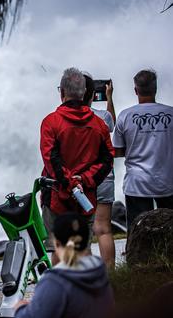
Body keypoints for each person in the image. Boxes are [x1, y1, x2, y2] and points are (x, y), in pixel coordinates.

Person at [39, 68, 114, 265]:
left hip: (56, 196)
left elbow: (51, 159)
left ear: (62, 92)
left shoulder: (51, 122)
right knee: (84, 248)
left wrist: (71, 183)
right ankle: (85, 290)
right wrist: (85, 179)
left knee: (59, 247)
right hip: (86, 198)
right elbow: (107, 160)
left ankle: (62, 290)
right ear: (83, 93)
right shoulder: (99, 125)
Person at [14, 213, 115, 318]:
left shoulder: (54, 282)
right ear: (86, 241)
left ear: (57, 243)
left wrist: (20, 309)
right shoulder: (99, 269)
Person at [113, 69, 173, 230]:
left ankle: (137, 256)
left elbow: (117, 152)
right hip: (168, 182)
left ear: (136, 90)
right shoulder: (171, 113)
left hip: (137, 183)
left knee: (138, 233)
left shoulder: (125, 116)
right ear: (156, 88)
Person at [83, 74, 116, 269]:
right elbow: (111, 121)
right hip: (103, 177)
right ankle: (111, 276)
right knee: (103, 229)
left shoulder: (66, 118)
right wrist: (109, 97)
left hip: (80, 181)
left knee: (81, 231)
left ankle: (87, 279)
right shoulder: (102, 117)